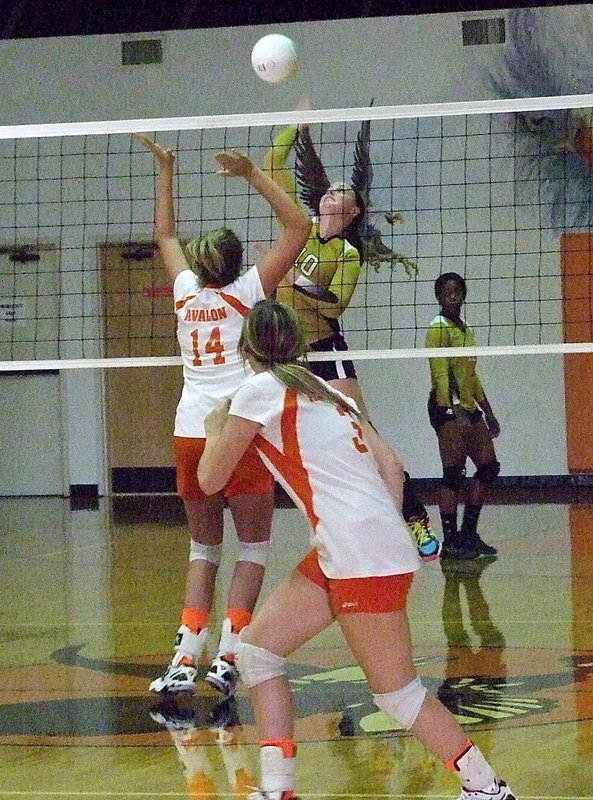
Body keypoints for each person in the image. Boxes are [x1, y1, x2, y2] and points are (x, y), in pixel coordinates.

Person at [197, 299, 516, 800]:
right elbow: (393, 467)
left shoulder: (257, 392)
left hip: (360, 555)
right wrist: (374, 529)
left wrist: (215, 427)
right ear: (299, 344)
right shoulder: (327, 390)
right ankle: (278, 788)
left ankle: (487, 789)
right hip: (352, 547)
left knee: (396, 694)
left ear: (246, 348)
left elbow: (209, 478)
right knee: (257, 652)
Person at [133, 133, 311, 696]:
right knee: (253, 547)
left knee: (202, 548)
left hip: (190, 431)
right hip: (238, 435)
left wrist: (166, 167)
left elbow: (164, 233)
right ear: (236, 264)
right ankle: (230, 655)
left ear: (201, 264)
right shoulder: (250, 290)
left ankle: (186, 656)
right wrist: (254, 175)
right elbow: (299, 228)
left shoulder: (186, 293)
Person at [264, 119, 440, 561]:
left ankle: (414, 517)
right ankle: (336, 529)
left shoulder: (347, 253)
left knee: (363, 434)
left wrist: (291, 279)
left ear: (355, 211)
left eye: (343, 191)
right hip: (288, 356)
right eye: (330, 189)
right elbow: (270, 165)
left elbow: (333, 305)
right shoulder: (298, 230)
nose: (331, 192)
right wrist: (296, 125)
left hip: (326, 352)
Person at [426, 272, 501, 560]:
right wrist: (453, 410)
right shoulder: (438, 328)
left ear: (464, 294)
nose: (453, 296)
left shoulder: (467, 329)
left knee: (488, 468)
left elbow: (471, 374)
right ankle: (451, 541)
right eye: (447, 292)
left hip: (470, 407)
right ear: (439, 297)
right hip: (446, 408)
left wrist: (489, 412)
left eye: (457, 291)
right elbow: (440, 372)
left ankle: (469, 534)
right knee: (453, 474)